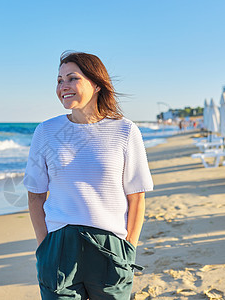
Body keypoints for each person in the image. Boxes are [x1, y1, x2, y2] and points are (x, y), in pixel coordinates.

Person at [23, 51, 153, 299]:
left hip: (110, 247)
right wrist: (45, 248)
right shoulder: (46, 131)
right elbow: (35, 196)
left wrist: (128, 249)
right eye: (59, 80)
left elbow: (136, 197)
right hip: (59, 246)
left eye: (72, 78)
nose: (63, 86)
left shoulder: (125, 131)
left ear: (96, 84)